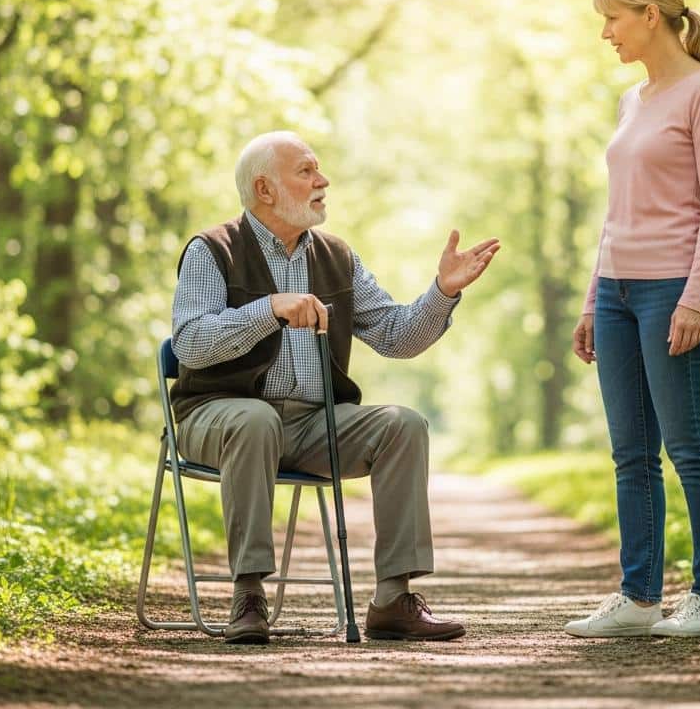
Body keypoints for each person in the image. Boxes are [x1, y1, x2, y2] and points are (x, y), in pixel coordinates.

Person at [171, 130, 499, 645]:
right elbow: (189, 345)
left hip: (310, 423)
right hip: (216, 414)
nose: (322, 181)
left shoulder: (336, 257)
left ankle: (392, 599)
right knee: (255, 420)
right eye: (305, 171)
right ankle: (248, 593)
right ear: (264, 189)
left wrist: (443, 292)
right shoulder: (213, 250)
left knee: (403, 426)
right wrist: (269, 309)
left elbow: (396, 336)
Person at [565, 0, 700, 639]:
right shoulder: (631, 101)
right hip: (617, 291)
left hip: (674, 289)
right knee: (630, 453)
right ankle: (638, 600)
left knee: (690, 445)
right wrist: (590, 300)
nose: (606, 32)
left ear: (650, 15)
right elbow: (617, 212)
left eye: (613, 17)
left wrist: (694, 299)